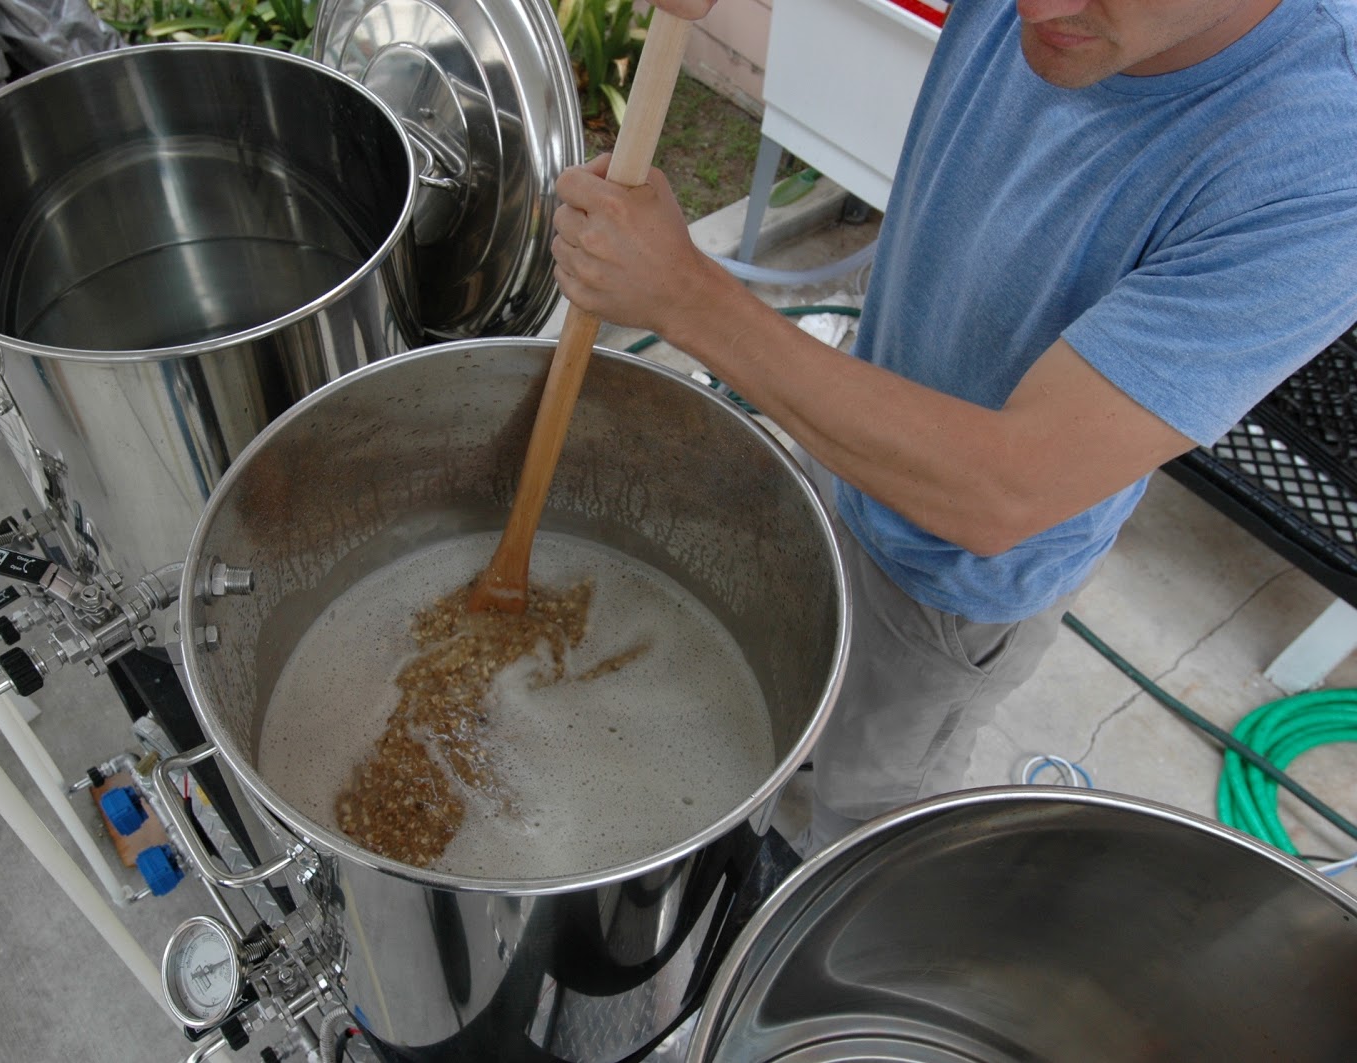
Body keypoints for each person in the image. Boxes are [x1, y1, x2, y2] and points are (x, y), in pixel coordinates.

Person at [550, 0, 1357, 853]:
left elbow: (1001, 488)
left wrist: (685, 296)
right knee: (786, 711)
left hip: (950, 587)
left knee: (864, 830)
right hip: (848, 432)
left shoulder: (1315, 164)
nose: (1035, 9)